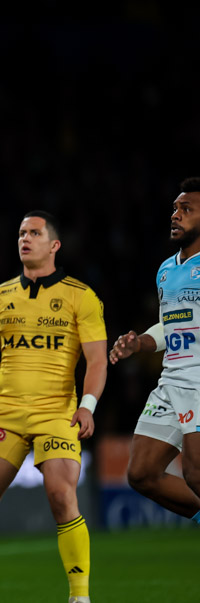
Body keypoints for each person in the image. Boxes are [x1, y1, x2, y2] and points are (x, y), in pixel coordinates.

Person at [0, 211, 107, 603]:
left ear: (54, 245)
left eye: (34, 233)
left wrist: (87, 406)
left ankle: (79, 596)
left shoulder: (80, 296)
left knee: (61, 495)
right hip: (6, 412)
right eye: (20, 233)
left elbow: (97, 360)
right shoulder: (0, 297)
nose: (25, 239)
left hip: (57, 412)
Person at [108, 177, 200, 523]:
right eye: (174, 209)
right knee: (141, 473)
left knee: (195, 473)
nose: (175, 215)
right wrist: (140, 343)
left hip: (199, 378)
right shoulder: (166, 270)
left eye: (186, 209)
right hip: (171, 379)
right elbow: (169, 324)